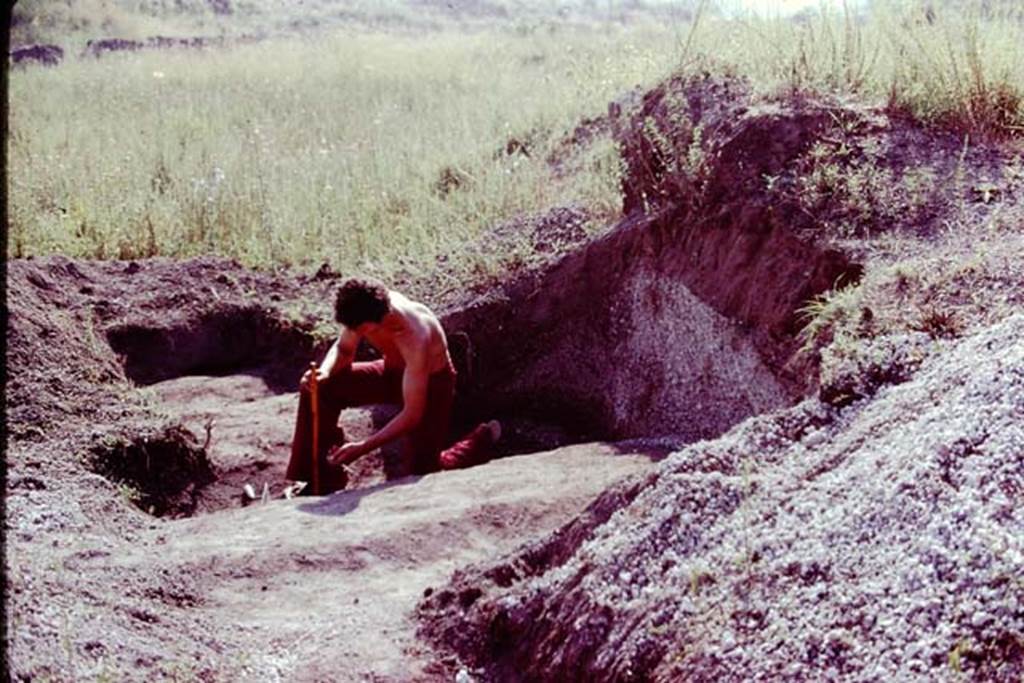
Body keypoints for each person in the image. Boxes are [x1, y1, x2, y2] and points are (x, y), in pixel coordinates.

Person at [285, 276, 500, 494]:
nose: (357, 334)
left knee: (422, 472)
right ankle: (323, 477)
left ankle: (479, 441)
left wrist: (362, 448)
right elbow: (343, 349)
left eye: (362, 330)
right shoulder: (365, 308)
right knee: (321, 387)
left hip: (432, 386)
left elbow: (412, 413)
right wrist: (325, 371)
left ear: (381, 319)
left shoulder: (415, 334)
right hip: (391, 372)